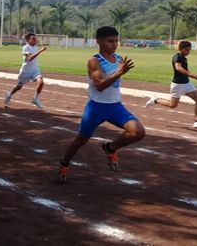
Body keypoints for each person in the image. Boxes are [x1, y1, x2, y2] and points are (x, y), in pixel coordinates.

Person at [58, 26, 146, 182]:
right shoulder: (94, 61)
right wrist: (119, 72)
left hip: (115, 106)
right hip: (96, 107)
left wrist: (119, 70)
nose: (114, 44)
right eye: (110, 41)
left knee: (138, 132)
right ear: (99, 41)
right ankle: (65, 162)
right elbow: (99, 86)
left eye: (116, 41)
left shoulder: (119, 59)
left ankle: (111, 147)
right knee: (81, 140)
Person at [145, 40, 197, 129]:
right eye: (186, 50)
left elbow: (185, 70)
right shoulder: (177, 57)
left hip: (187, 84)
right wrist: (192, 75)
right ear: (180, 49)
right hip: (177, 85)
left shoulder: (184, 58)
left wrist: (196, 77)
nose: (188, 52)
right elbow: (178, 68)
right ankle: (155, 100)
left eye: (189, 50)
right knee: (172, 105)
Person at [4, 32, 47, 109]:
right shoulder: (25, 48)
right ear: (28, 40)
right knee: (18, 87)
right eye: (33, 39)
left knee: (41, 82)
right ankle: (9, 95)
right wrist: (41, 51)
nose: (35, 40)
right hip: (25, 71)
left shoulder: (35, 47)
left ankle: (35, 98)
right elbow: (30, 59)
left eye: (35, 39)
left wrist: (40, 50)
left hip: (35, 70)